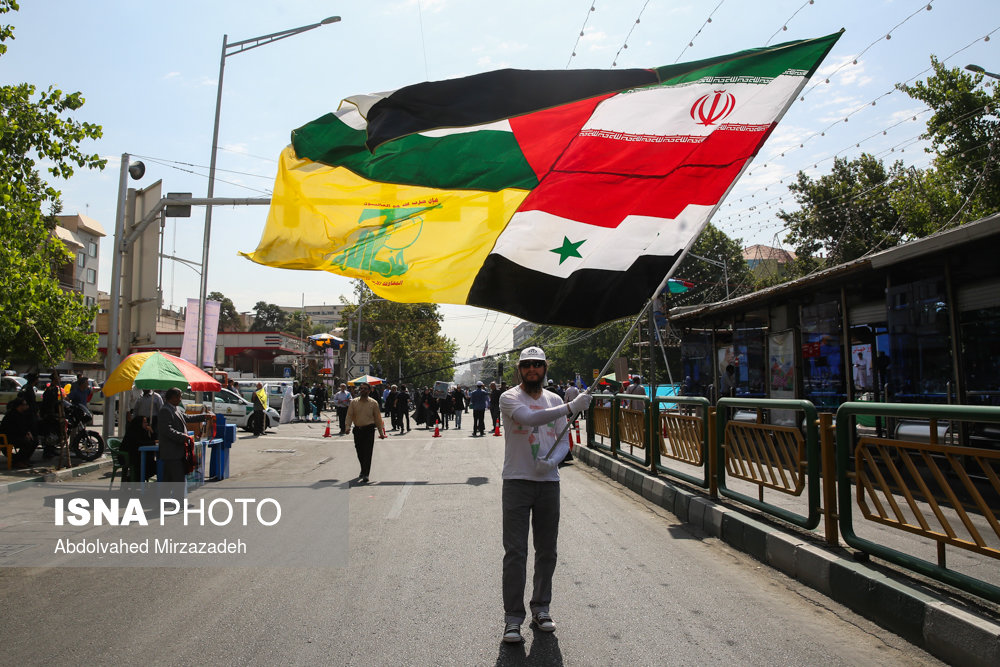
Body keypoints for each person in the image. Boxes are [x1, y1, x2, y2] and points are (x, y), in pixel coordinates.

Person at [498, 346, 591, 644]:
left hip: (549, 482)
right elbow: (528, 419)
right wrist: (571, 406)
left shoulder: (553, 398)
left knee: (547, 550)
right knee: (515, 553)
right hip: (516, 481)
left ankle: (542, 608)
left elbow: (563, 437)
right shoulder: (510, 397)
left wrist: (554, 460)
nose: (532, 370)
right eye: (527, 365)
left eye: (537, 365)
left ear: (544, 368)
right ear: (519, 369)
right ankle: (513, 619)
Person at [157, 388, 210, 485]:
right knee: (177, 482)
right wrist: (183, 436)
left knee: (170, 481)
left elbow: (187, 417)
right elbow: (166, 430)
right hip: (172, 453)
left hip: (178, 452)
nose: (181, 399)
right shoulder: (165, 410)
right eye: (179, 397)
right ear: (173, 397)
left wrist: (204, 416)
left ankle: (166, 500)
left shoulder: (175, 408)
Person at [344, 383, 385, 484]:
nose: (362, 390)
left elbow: (378, 418)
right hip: (358, 430)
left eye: (365, 389)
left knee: (367, 452)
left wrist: (381, 432)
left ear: (369, 390)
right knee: (360, 452)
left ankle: (366, 474)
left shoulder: (373, 403)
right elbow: (349, 415)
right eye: (361, 388)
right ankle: (363, 469)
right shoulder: (354, 402)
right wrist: (347, 427)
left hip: (369, 430)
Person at [1, 397, 37, 468]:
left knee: (35, 441)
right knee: (26, 442)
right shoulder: (12, 415)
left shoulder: (21, 414)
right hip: (9, 437)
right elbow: (13, 429)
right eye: (25, 404)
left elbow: (25, 426)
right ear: (20, 406)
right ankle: (17, 461)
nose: (26, 406)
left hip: (18, 435)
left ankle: (24, 460)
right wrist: (24, 434)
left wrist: (28, 432)